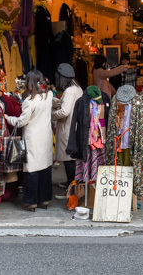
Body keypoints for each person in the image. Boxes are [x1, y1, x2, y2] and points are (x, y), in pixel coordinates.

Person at [5, 70, 54, 212]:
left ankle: (31, 202)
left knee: (31, 170)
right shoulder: (48, 96)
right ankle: (44, 199)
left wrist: (8, 118)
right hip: (45, 138)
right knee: (45, 167)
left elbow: (21, 122)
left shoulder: (29, 102)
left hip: (32, 139)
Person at [51, 63, 82, 193]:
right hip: (74, 127)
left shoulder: (69, 91)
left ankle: (71, 189)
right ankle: (72, 184)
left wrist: (51, 115)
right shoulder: (77, 88)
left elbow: (64, 111)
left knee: (68, 159)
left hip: (67, 128)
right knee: (71, 159)